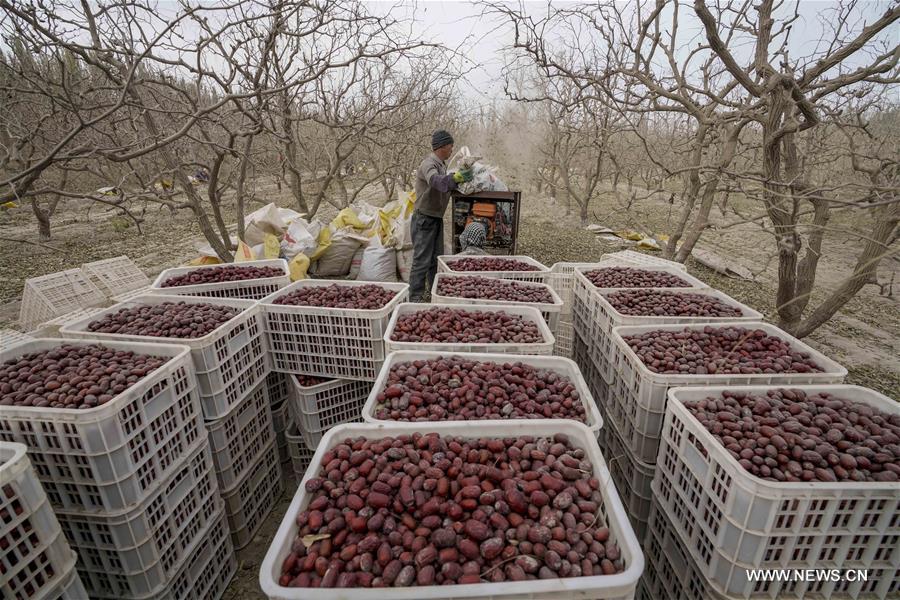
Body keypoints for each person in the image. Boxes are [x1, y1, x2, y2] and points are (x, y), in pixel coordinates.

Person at [409, 129, 472, 301]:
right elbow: (436, 181)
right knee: (421, 261)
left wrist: (461, 179)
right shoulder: (429, 164)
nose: (452, 150)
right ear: (442, 147)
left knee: (435, 261)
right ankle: (414, 299)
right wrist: (456, 178)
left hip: (435, 218)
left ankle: (434, 295)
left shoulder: (442, 166)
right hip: (424, 219)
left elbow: (446, 183)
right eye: (450, 147)